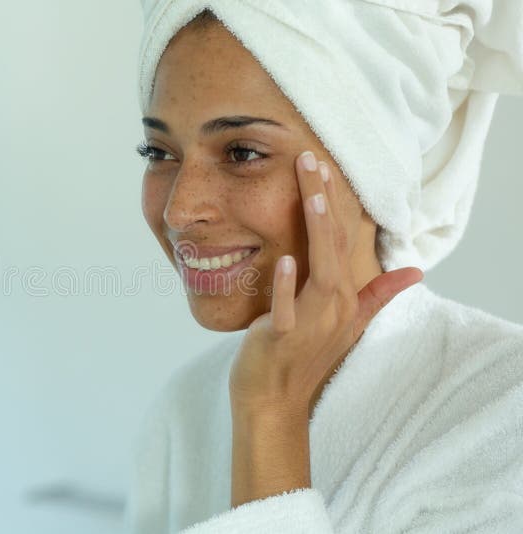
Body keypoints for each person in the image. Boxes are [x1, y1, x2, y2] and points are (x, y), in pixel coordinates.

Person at [124, 3, 523, 533]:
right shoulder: (183, 412)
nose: (179, 209)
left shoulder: (502, 415)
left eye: (242, 152)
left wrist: (270, 418)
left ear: (371, 167)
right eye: (158, 151)